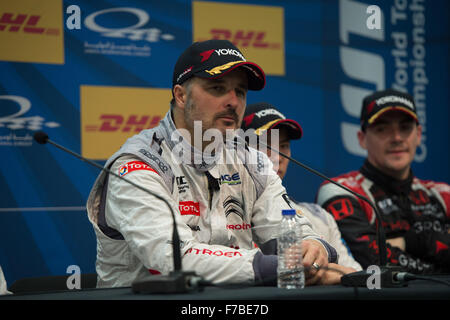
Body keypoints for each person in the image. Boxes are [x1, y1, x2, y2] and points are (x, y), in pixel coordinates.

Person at [86, 39, 337, 288]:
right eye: (217, 88)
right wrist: (283, 266)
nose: (234, 101)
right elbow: (175, 259)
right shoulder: (136, 165)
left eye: (240, 91)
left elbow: (291, 233)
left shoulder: (251, 161)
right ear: (181, 95)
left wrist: (313, 247)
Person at [316, 89, 450, 274]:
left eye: (405, 128)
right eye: (382, 129)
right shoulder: (340, 190)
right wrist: (420, 243)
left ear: (418, 135)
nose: (396, 138)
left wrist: (400, 244)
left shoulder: (443, 194)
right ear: (362, 139)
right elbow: (371, 261)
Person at [241, 102, 362, 285]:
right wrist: (327, 274)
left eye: (283, 146)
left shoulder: (319, 216)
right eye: (265, 145)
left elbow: (357, 275)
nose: (278, 157)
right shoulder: (229, 216)